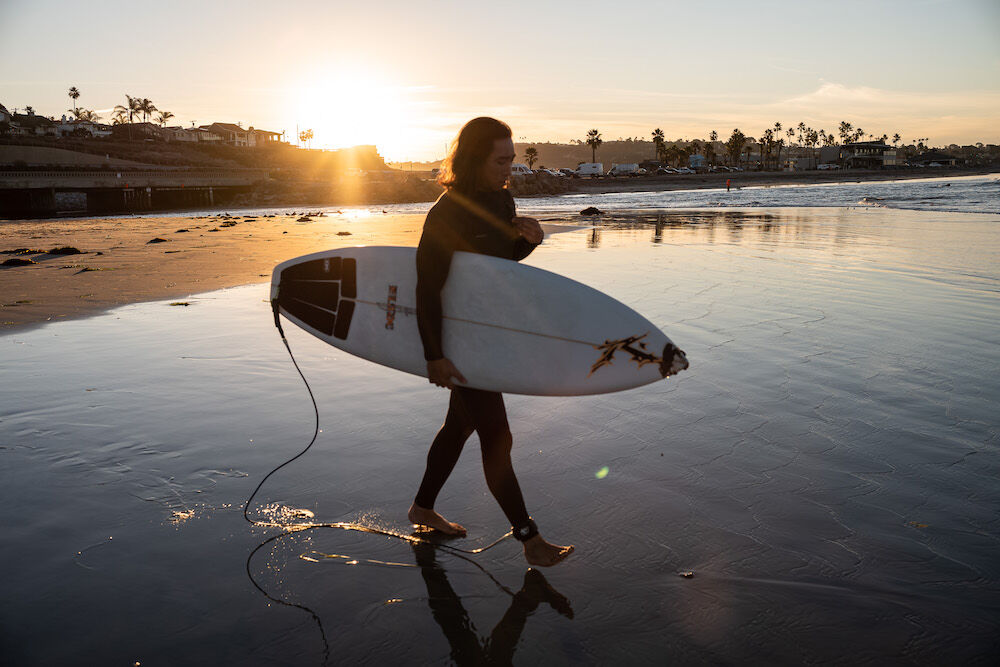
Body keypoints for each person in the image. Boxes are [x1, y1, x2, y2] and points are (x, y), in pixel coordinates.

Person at [408, 117, 574, 567]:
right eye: (500, 160)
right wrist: (435, 356)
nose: (509, 167)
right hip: (460, 342)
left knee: (460, 427)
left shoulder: (503, 200)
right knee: (496, 436)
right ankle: (530, 540)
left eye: (512, 157)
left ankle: (422, 507)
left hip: (490, 334)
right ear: (474, 159)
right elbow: (427, 289)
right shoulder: (446, 214)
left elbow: (500, 266)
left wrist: (529, 243)